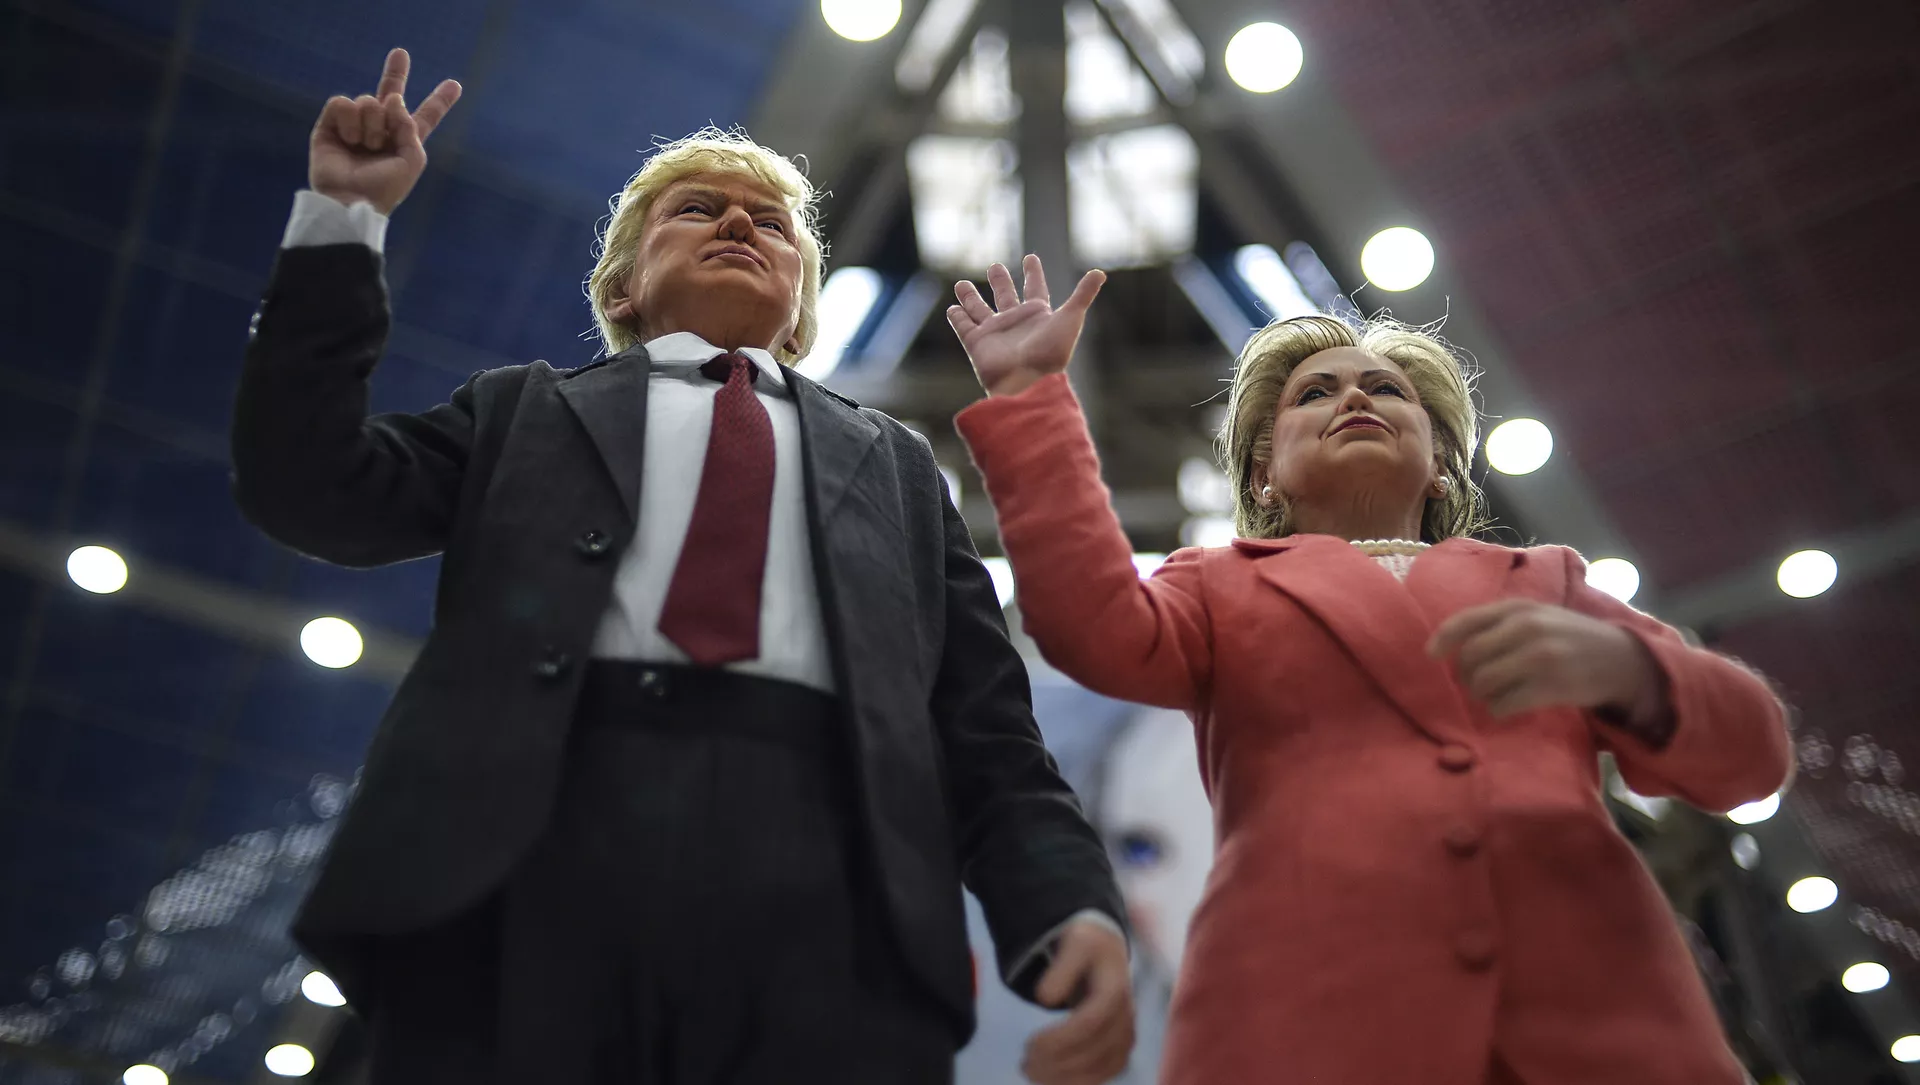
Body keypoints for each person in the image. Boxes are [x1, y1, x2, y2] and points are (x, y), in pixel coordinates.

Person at [232, 50, 1133, 1085]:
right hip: (526, 863)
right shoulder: (520, 411)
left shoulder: (898, 467)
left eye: (773, 223)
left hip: (835, 892)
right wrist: (345, 220)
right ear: (622, 284)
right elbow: (309, 487)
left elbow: (987, 732)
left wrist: (1067, 901)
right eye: (697, 209)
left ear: (801, 307)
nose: (740, 222)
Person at [944, 255, 1794, 1085]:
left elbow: (1751, 756)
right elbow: (1087, 622)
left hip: (1599, 1011)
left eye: (1387, 389)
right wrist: (1029, 395)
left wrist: (1637, 673)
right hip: (1312, 1020)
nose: (1354, 396)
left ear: (1441, 466)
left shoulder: (1546, 580)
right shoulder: (1215, 584)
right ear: (1264, 477)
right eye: (1314, 394)